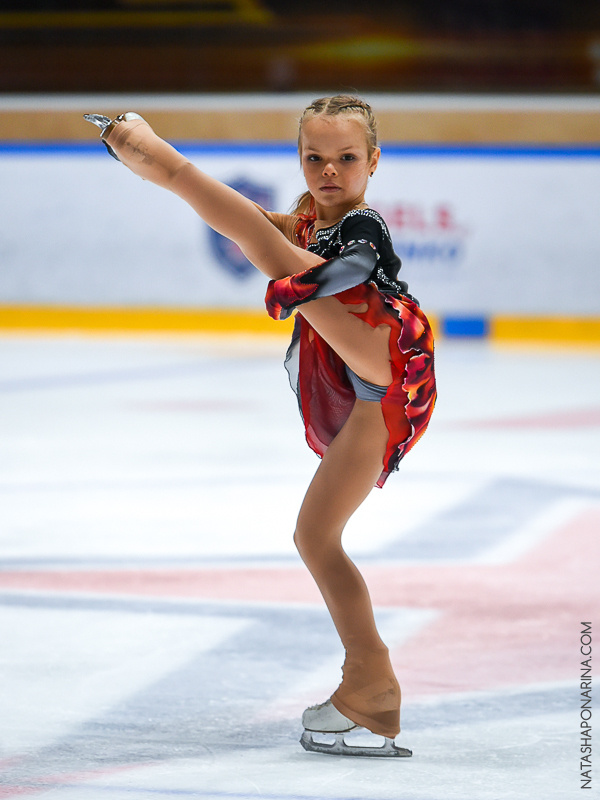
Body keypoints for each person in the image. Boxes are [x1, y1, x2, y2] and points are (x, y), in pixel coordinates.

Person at [85, 95, 436, 757]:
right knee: (314, 535)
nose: (329, 171)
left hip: (384, 348)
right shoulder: (308, 220)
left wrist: (297, 285)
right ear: (300, 158)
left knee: (267, 249)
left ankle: (371, 683)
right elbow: (256, 223)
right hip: (366, 387)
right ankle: (372, 685)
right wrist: (159, 172)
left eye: (346, 158)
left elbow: (354, 269)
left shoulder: (363, 223)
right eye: (314, 158)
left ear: (374, 161)